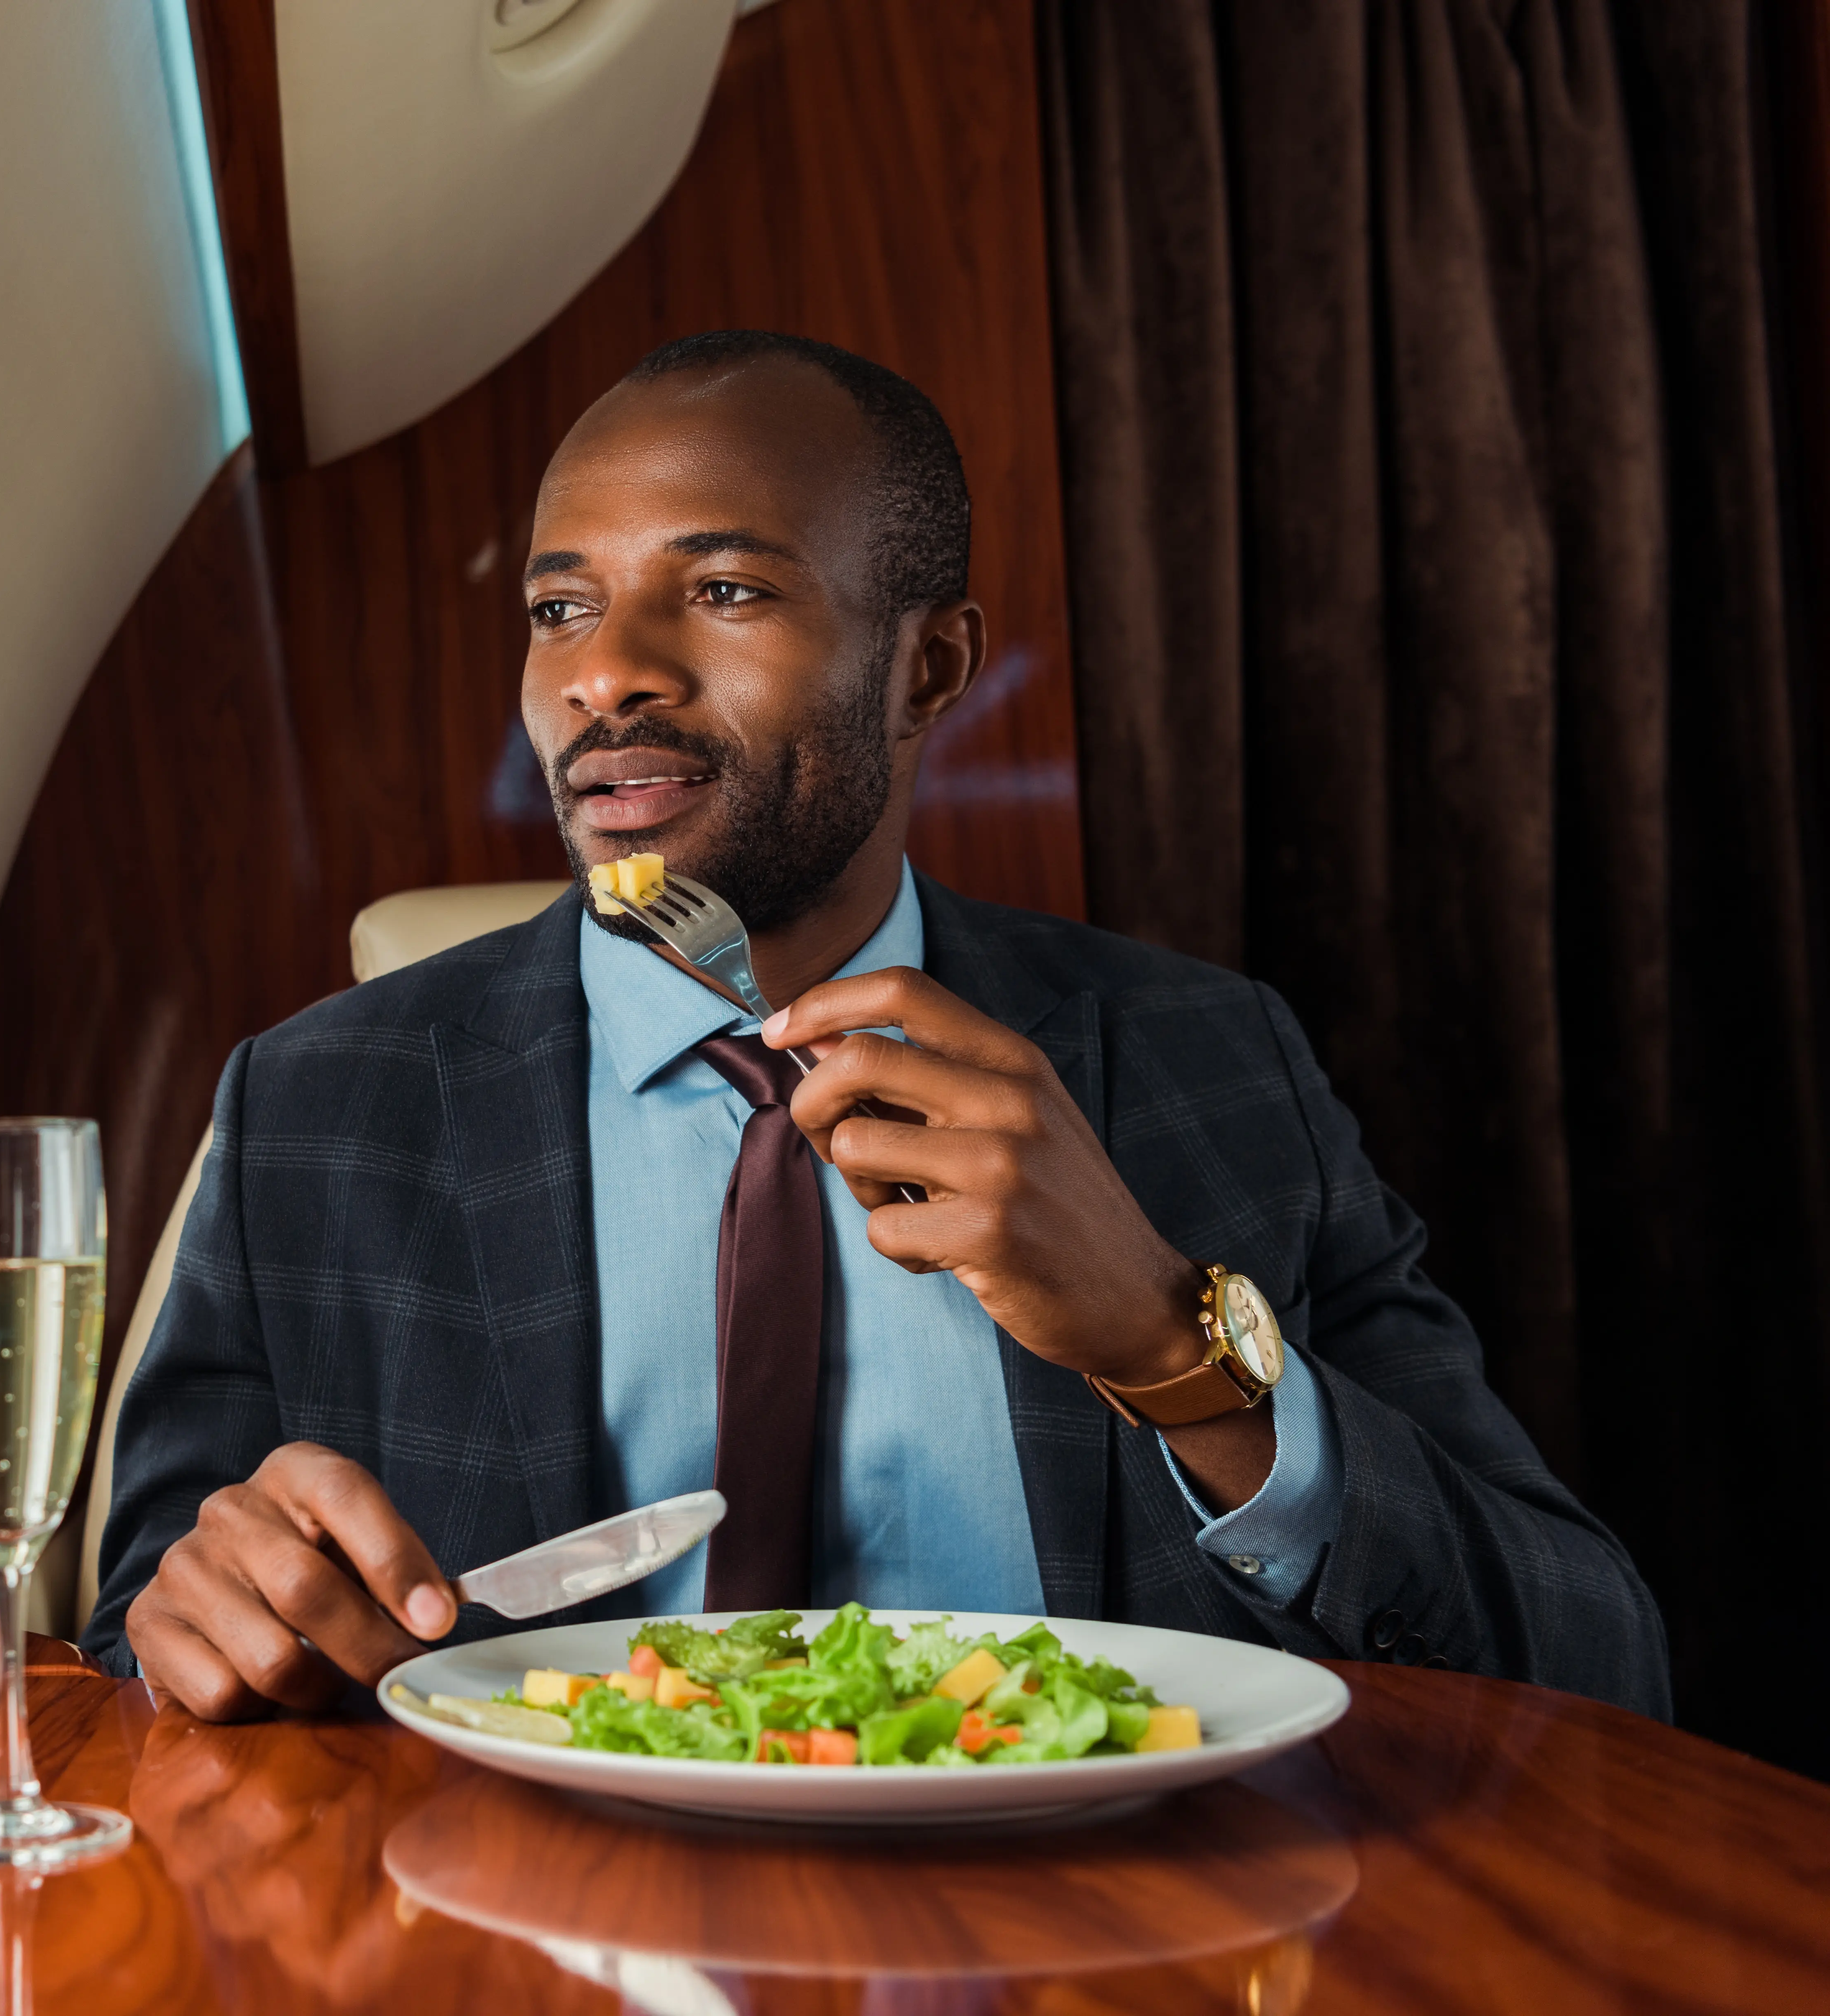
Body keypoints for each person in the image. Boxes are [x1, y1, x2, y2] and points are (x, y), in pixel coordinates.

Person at [81, 329, 1669, 1723]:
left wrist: (1169, 1344)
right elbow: (141, 1635)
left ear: (929, 667)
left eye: (722, 591)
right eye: (561, 608)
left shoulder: (1213, 1061)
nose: (605, 675)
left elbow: (1588, 1665)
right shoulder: (316, 1103)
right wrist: (208, 1617)